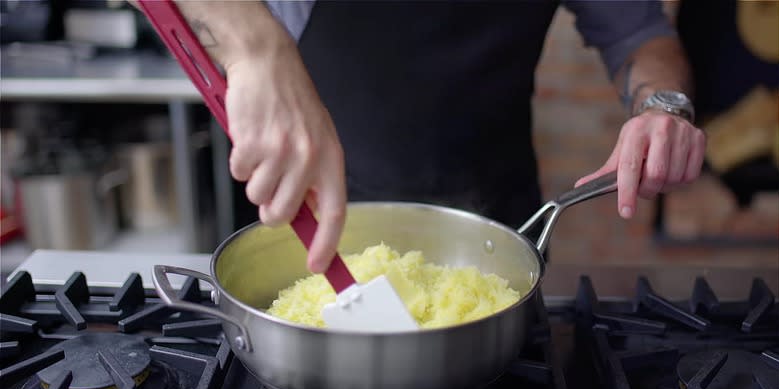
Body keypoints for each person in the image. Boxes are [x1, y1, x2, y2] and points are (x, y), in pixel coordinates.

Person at [138, 1, 706, 273]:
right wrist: (257, 44)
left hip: (498, 230)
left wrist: (662, 105)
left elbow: (641, 35)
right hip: (309, 242)